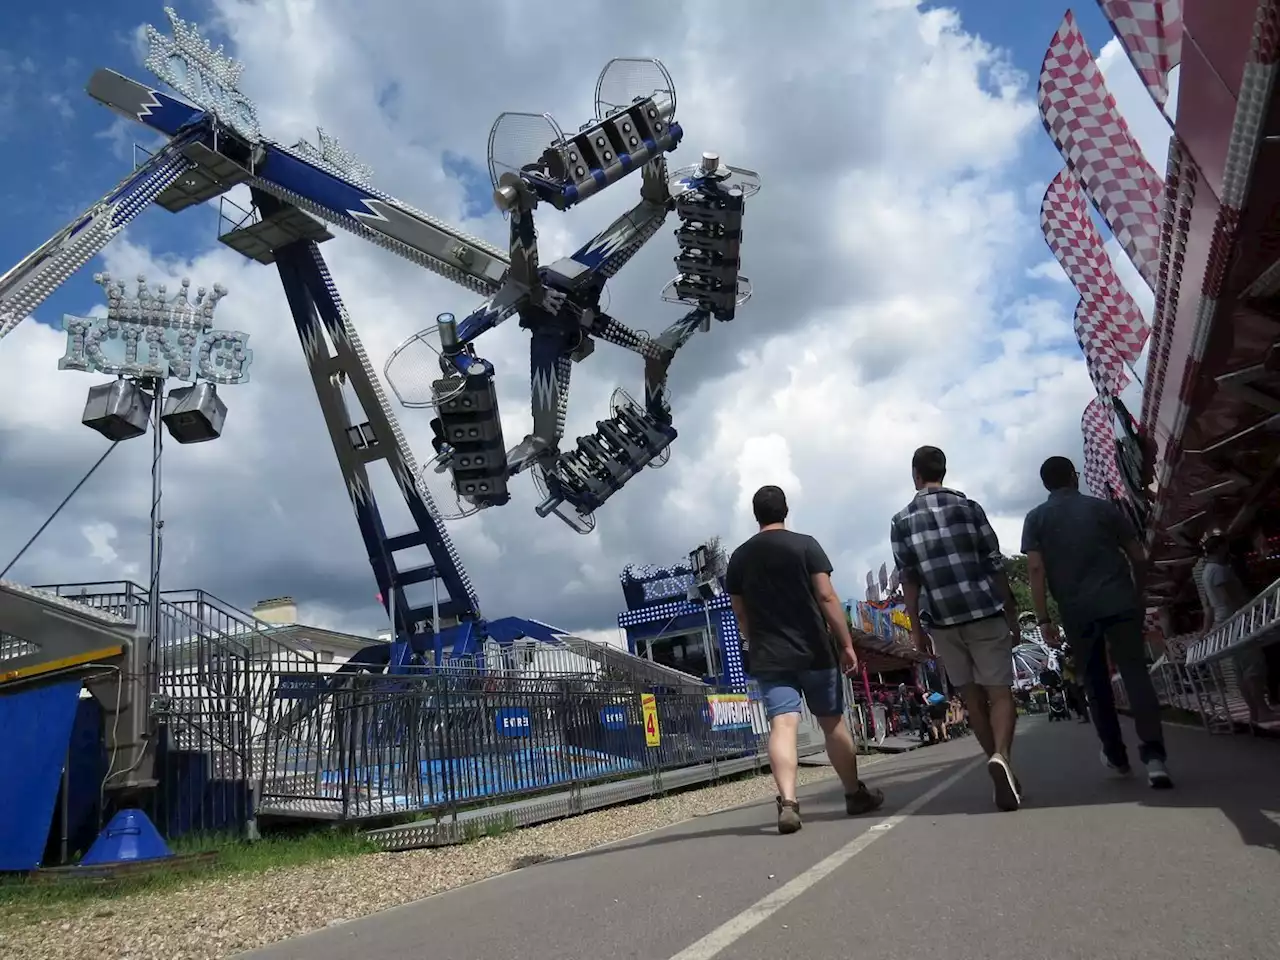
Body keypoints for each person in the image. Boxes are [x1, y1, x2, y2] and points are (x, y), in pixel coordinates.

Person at [726, 485, 885, 834]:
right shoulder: (806, 545)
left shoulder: (739, 558)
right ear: (785, 510)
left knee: (783, 725)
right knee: (832, 723)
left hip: (770, 655)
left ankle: (788, 802)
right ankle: (853, 794)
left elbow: (740, 614)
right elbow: (827, 596)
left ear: (756, 515)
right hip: (814, 650)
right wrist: (846, 644)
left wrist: (756, 641)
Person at [1022, 456, 1172, 788]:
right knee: (1135, 674)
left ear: (1046, 485)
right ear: (1074, 478)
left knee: (1095, 682)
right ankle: (1155, 757)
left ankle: (1116, 755)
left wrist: (1044, 618)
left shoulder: (1035, 519)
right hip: (1120, 601)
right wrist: (1140, 591)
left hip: (1077, 611)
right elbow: (1138, 555)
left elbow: (1035, 570)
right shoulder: (1105, 509)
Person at [890, 445, 1023, 811]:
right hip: (984, 610)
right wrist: (1011, 612)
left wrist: (916, 630)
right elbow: (995, 563)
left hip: (944, 622)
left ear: (916, 474)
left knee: (971, 698)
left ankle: (996, 762)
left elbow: (910, 580)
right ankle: (1003, 758)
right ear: (943, 472)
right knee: (1000, 693)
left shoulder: (901, 521)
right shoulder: (969, 508)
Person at [1199, 530, 1278, 725]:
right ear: (1220, 547)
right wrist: (1252, 611)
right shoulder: (1220, 569)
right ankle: (1262, 709)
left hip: (1225, 622)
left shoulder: (1206, 572)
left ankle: (1254, 712)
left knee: (1240, 669)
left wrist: (1205, 630)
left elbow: (1208, 607)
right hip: (1237, 619)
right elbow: (1231, 597)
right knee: (1253, 665)